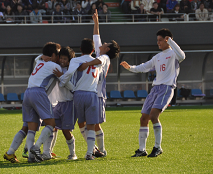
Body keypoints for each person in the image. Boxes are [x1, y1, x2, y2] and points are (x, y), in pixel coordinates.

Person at [120, 28, 185, 157]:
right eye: (157, 40)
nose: (158, 43)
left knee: (154, 116)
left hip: (166, 88)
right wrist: (130, 68)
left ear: (167, 40)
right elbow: (144, 66)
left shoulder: (174, 54)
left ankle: (157, 147)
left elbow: (182, 56)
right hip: (155, 89)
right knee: (144, 118)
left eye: (161, 40)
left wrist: (171, 41)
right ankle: (141, 150)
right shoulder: (157, 57)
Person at [77, 9, 120, 158]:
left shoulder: (105, 58)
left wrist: (85, 64)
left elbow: (98, 60)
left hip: (98, 94)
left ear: (107, 49)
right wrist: (96, 22)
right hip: (89, 92)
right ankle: (95, 149)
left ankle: (101, 150)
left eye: (106, 43)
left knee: (94, 125)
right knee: (81, 123)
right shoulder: (100, 54)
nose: (102, 43)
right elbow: (96, 37)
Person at [53, 38, 101, 160]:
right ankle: (89, 153)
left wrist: (62, 81)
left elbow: (69, 74)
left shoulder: (76, 60)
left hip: (78, 94)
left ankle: (72, 152)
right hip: (92, 93)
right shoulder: (99, 61)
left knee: (80, 124)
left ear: (80, 49)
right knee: (91, 125)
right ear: (93, 50)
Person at [24, 42, 63, 162]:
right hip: (39, 93)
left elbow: (38, 59)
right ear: (52, 55)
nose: (59, 57)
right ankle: (36, 148)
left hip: (27, 92)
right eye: (58, 54)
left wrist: (41, 57)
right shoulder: (54, 66)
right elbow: (64, 80)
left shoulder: (40, 62)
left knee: (32, 127)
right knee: (51, 123)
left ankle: (31, 157)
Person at [51, 47, 78, 160]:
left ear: (70, 60)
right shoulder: (57, 68)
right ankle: (48, 152)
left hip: (69, 103)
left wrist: (61, 76)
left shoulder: (72, 71)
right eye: (61, 58)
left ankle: (73, 154)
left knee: (66, 131)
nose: (62, 60)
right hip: (59, 103)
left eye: (65, 59)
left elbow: (73, 88)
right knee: (51, 126)